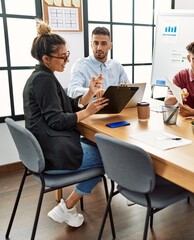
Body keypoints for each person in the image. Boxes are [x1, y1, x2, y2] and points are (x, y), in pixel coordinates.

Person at [23, 19, 109, 227]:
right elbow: (58, 120)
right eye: (62, 57)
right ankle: (68, 206)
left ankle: (66, 208)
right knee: (108, 156)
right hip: (52, 153)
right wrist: (88, 112)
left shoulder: (42, 76)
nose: (66, 61)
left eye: (67, 55)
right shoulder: (43, 80)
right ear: (46, 58)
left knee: (98, 146)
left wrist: (88, 93)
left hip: (45, 148)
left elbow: (64, 107)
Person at [67, 26, 129, 98]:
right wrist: (93, 91)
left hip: (114, 107)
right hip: (90, 108)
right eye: (96, 43)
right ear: (91, 44)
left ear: (110, 46)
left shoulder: (117, 66)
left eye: (103, 44)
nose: (99, 48)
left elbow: (128, 90)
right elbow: (72, 91)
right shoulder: (80, 65)